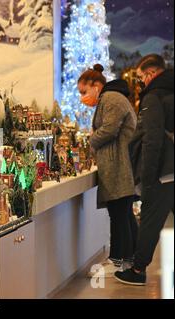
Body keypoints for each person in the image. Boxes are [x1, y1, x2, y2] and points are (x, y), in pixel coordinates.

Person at [115, 54, 174, 286]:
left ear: (151, 74)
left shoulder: (154, 96)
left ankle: (138, 270)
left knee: (150, 219)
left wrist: (148, 177)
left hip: (163, 171)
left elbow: (152, 139)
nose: (139, 82)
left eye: (140, 77)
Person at [78, 64, 138, 277]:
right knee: (122, 214)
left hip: (118, 166)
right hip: (118, 164)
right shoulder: (112, 98)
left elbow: (110, 129)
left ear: (96, 86)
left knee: (120, 214)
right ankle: (126, 260)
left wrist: (89, 141)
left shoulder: (111, 98)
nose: (83, 98)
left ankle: (121, 261)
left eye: (84, 92)